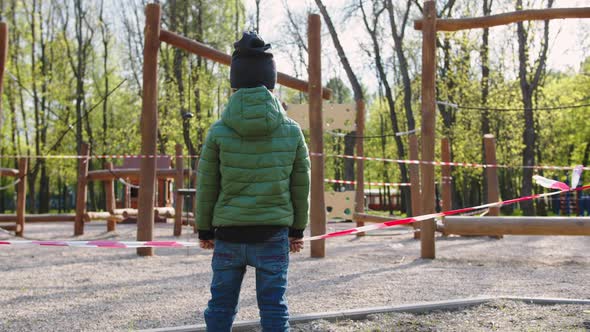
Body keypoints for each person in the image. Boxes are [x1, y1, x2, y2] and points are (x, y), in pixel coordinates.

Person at [196, 31, 311, 332]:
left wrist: (205, 228)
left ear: (235, 83)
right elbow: (301, 185)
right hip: (273, 234)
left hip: (229, 235)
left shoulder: (218, 131)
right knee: (274, 308)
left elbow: (207, 185)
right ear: (270, 82)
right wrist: (297, 229)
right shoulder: (292, 131)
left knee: (220, 306)